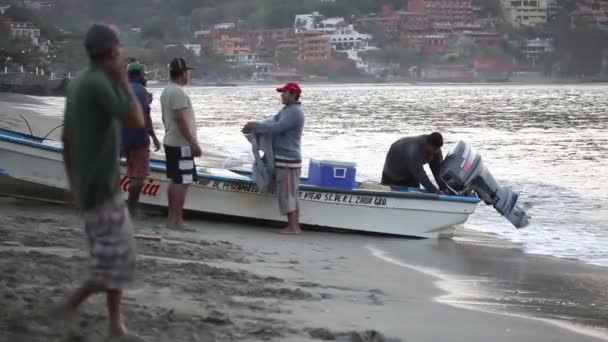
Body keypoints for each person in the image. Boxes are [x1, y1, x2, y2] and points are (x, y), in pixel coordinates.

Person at [60, 24, 144, 337]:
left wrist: (72, 183)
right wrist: (123, 83)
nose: (121, 52)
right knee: (117, 260)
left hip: (89, 185)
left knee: (114, 256)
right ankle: (72, 304)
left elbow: (66, 139)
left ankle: (115, 323)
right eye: (119, 48)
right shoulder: (100, 84)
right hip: (102, 188)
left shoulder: (80, 83)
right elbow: (136, 120)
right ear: (111, 52)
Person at [242, 82, 305, 235]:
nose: (281, 96)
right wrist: (255, 125)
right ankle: (295, 226)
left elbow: (276, 128)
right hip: (286, 159)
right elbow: (270, 122)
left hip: (288, 160)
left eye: (284, 93)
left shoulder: (294, 112)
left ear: (292, 94)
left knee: (287, 193)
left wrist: (255, 126)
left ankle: (293, 227)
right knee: (290, 193)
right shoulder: (287, 110)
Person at [160, 57, 200, 230]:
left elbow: (165, 118)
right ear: (182, 73)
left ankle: (172, 219)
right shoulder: (177, 91)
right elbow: (180, 118)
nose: (189, 75)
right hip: (181, 144)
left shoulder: (167, 91)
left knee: (176, 179)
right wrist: (192, 142)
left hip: (172, 140)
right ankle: (177, 220)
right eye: (187, 72)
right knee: (182, 181)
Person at [121, 61, 161, 216]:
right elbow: (145, 117)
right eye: (144, 74)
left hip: (122, 138)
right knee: (139, 176)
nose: (146, 77)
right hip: (137, 138)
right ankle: (131, 210)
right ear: (138, 75)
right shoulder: (141, 91)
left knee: (131, 172)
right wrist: (154, 137)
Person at [381, 132, 447, 195]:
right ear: (428, 144)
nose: (437, 151)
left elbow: (437, 171)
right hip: (392, 174)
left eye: (438, 149)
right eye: (435, 149)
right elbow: (420, 174)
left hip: (410, 175)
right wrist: (434, 190)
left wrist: (444, 188)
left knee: (414, 196)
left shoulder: (436, 150)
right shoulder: (415, 150)